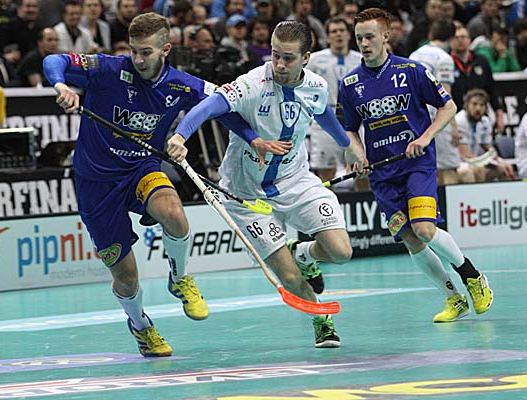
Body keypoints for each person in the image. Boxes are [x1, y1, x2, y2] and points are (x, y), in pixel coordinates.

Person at [43, 12, 259, 357]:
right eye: (134, 51)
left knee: (173, 212)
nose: (139, 59)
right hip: (96, 184)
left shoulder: (181, 85)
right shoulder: (107, 69)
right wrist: (61, 85)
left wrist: (253, 139)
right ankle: (141, 325)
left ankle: (180, 278)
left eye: (146, 52)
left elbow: (224, 107)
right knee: (126, 276)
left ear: (166, 50)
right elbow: (54, 60)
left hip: (141, 169)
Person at [166, 21, 366, 348]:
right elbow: (208, 106)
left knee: (341, 252)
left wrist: (347, 144)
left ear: (306, 58)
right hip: (246, 195)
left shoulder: (315, 85)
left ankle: (303, 252)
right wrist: (180, 135)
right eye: (275, 55)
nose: (280, 65)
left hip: (296, 181)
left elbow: (322, 113)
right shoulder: (253, 83)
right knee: (289, 277)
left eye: (288, 58)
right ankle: (322, 320)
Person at [338, 8, 493, 323]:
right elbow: (349, 130)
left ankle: (471, 275)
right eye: (359, 38)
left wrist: (425, 137)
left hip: (416, 165)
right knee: (410, 238)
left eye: (369, 37)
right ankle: (453, 299)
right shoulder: (350, 83)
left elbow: (448, 107)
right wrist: (357, 156)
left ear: (386, 36)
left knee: (424, 229)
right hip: (381, 173)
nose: (364, 44)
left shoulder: (411, 70)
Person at [306, 16, 368, 191]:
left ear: (349, 35)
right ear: (327, 37)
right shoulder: (315, 60)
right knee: (326, 172)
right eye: (334, 31)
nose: (338, 35)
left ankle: (364, 204)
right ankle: (327, 207)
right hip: (326, 119)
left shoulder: (361, 59)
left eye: (342, 31)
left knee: (362, 169)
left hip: (356, 121)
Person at [409, 19, 472, 186]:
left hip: (415, 117)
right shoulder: (445, 59)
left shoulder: (414, 55)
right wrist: (453, 127)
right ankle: (448, 203)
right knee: (448, 168)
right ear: (451, 38)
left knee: (424, 169)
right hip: (437, 119)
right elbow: (445, 95)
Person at [457, 89, 514, 182]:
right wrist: (487, 160)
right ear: (466, 105)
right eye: (474, 104)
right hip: (458, 163)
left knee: (503, 169)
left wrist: (501, 161)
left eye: (481, 105)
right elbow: (465, 155)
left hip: (474, 161)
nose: (478, 109)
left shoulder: (485, 121)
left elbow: (489, 148)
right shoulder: (460, 121)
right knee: (479, 169)